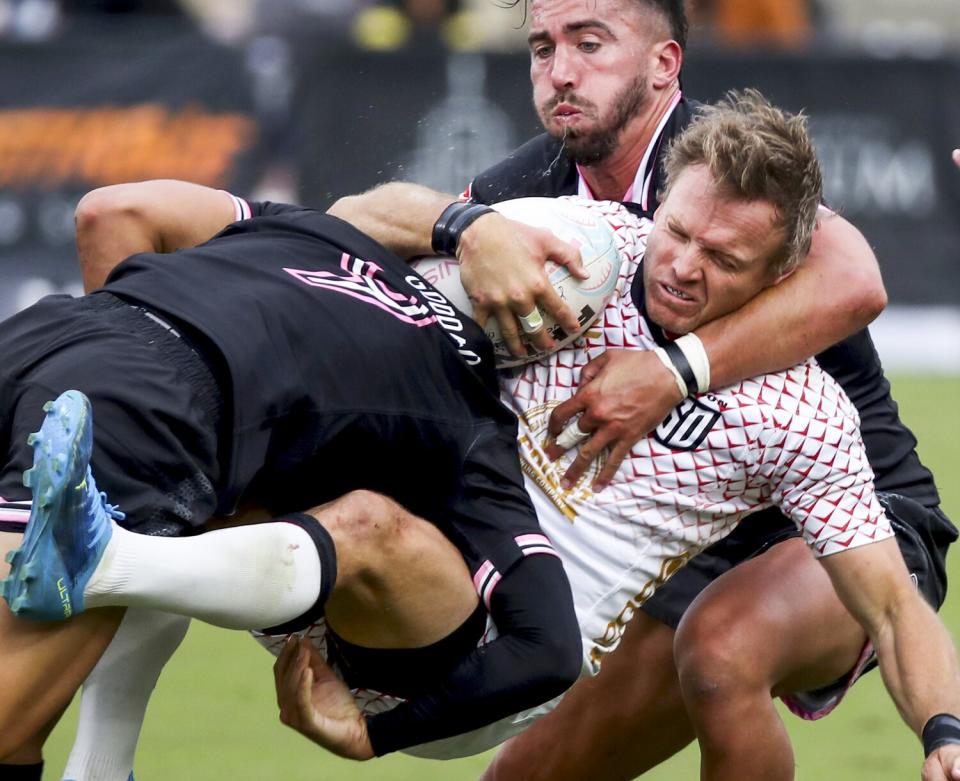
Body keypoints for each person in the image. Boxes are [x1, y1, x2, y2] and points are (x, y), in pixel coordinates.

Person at [10, 91, 960, 781]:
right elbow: (352, 223)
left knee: (371, 523)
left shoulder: (803, 415)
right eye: (677, 231)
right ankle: (106, 745)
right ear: (658, 203)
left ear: (785, 269)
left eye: (724, 260)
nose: (679, 266)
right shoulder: (593, 243)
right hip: (369, 556)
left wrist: (946, 733)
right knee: (232, 431)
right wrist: (467, 227)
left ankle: (103, 555)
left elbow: (891, 609)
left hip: (493, 648)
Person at [324, 1, 957, 779]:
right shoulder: (524, 189)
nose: (561, 70)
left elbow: (855, 278)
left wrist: (671, 372)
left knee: (724, 649)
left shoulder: (727, 168)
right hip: (684, 542)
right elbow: (359, 236)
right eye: (543, 47)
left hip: (855, 521)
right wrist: (463, 227)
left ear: (663, 63)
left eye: (590, 44)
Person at [0, 180, 584, 777]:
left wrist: (467, 224)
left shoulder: (325, 230)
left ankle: (102, 760)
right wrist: (373, 735)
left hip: (47, 335)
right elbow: (552, 650)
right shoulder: (471, 414)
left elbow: (109, 210)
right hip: (148, 404)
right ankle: (103, 720)